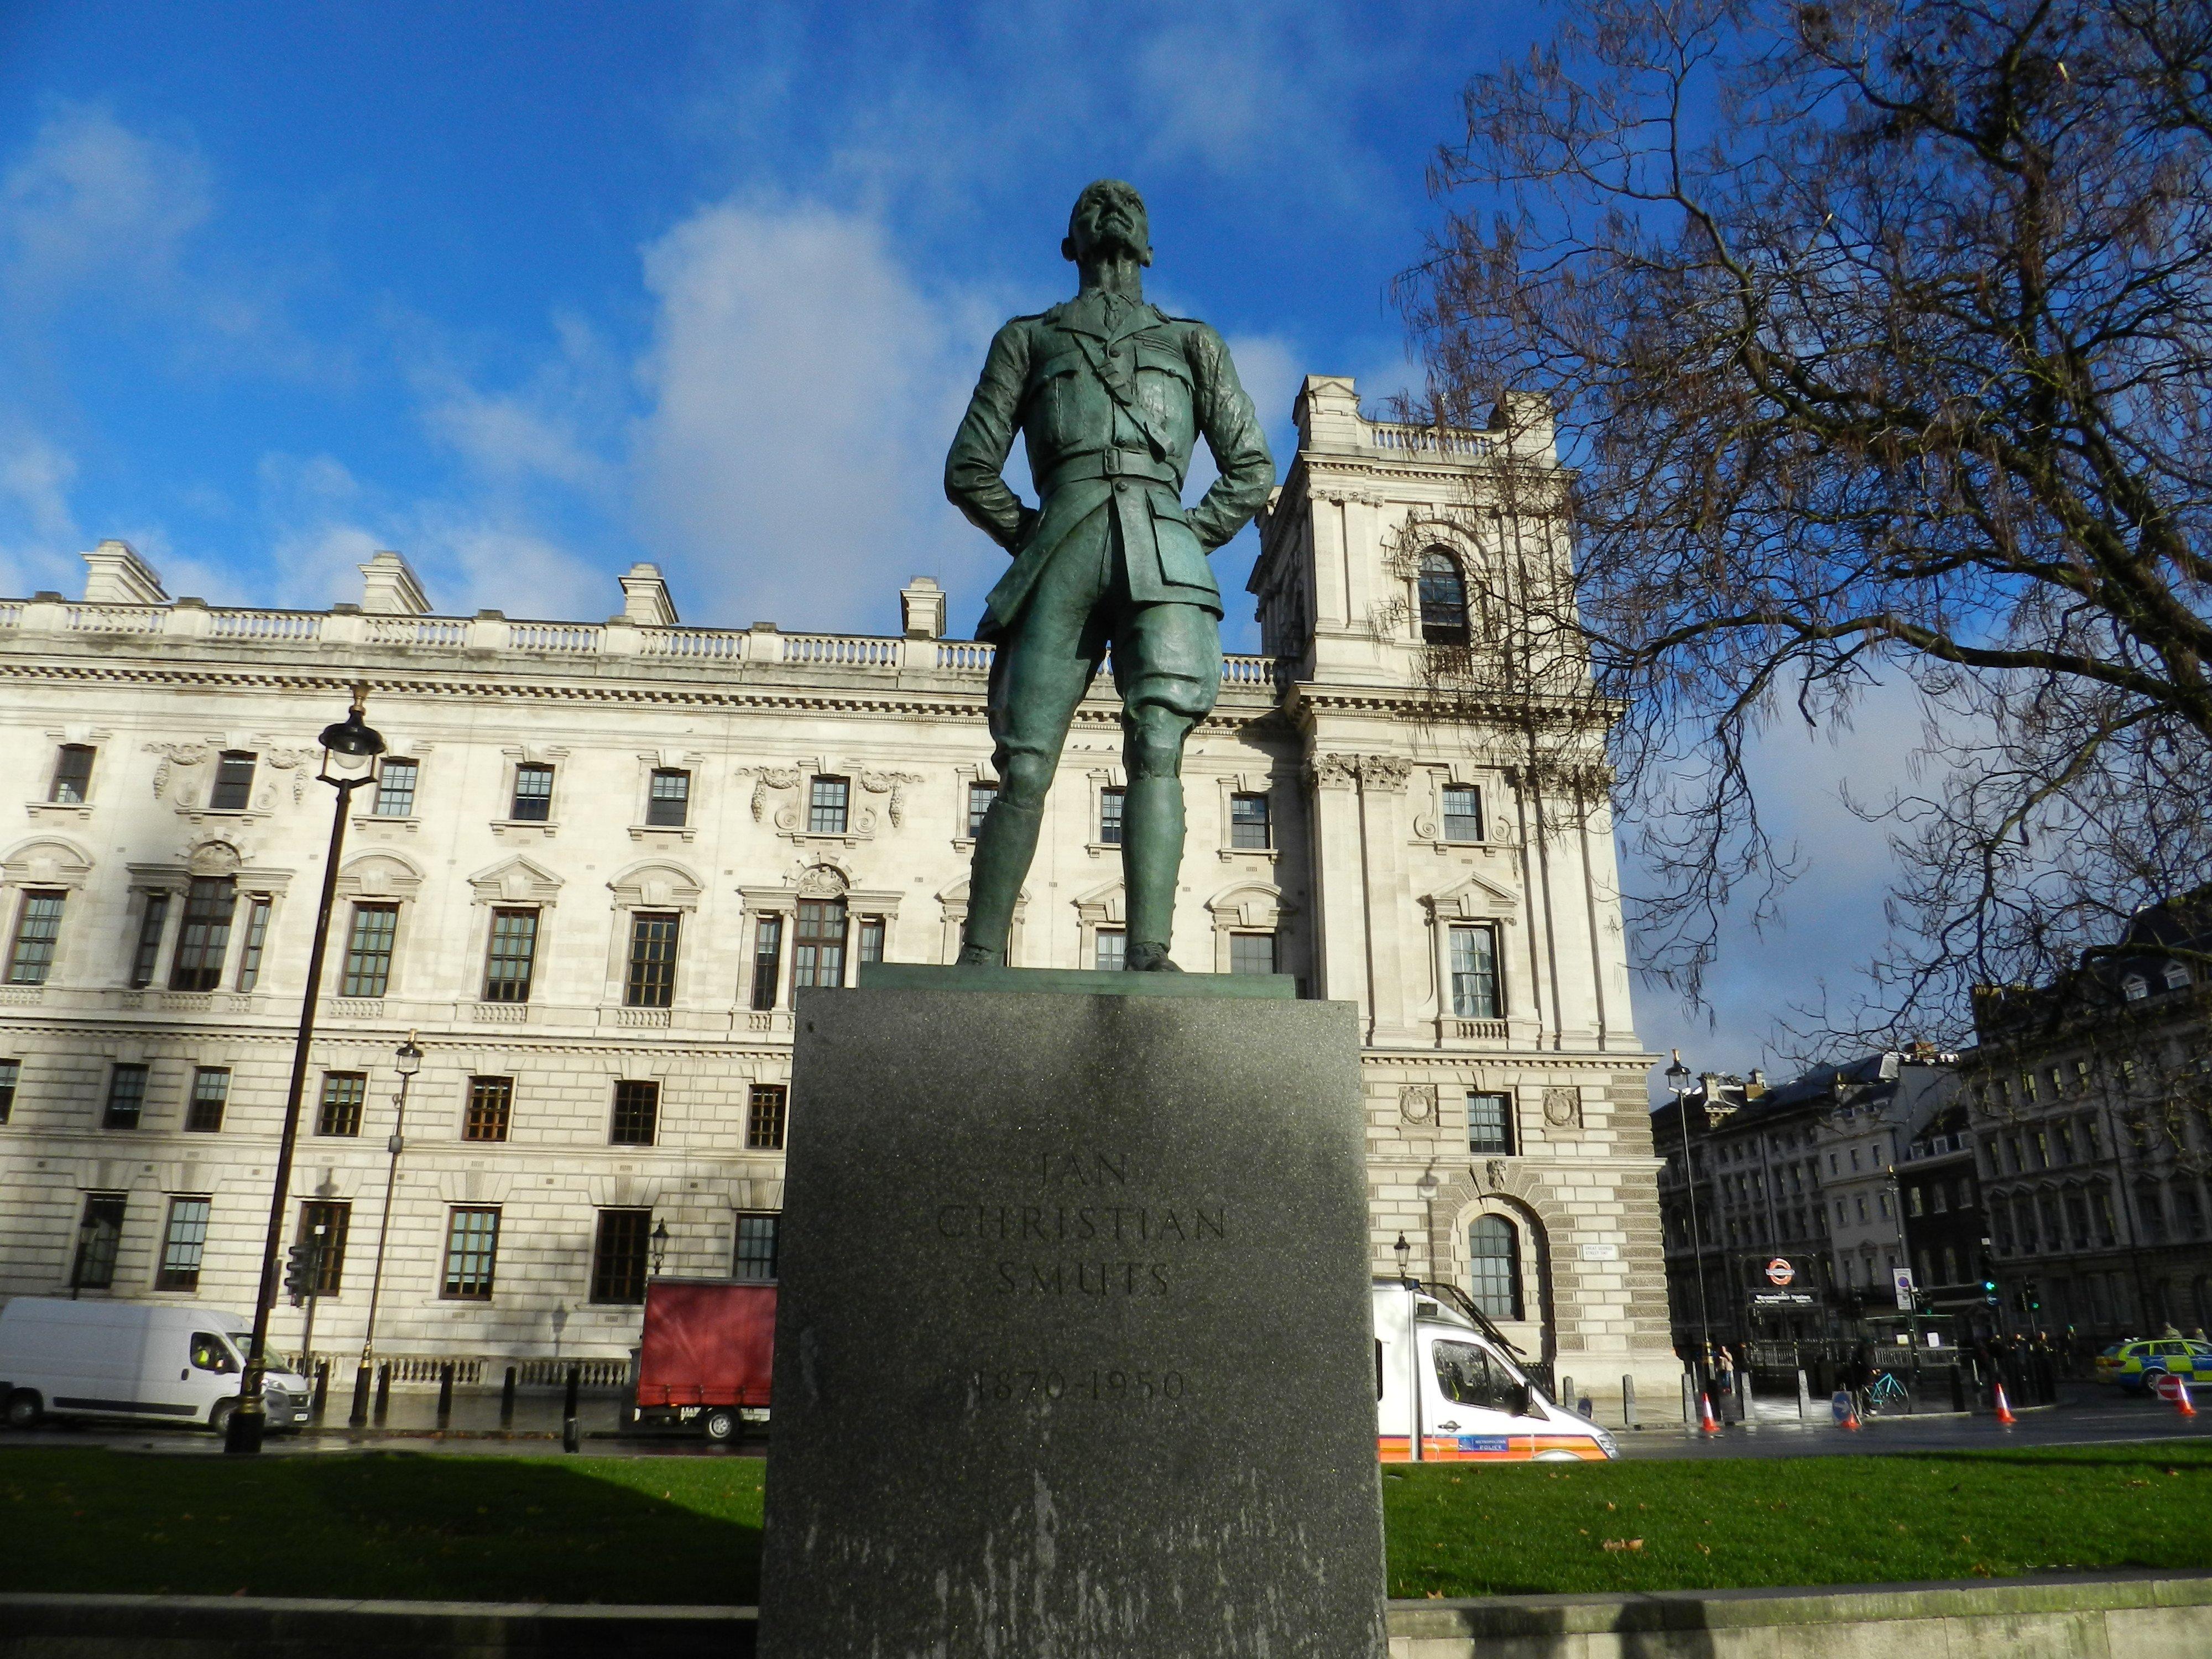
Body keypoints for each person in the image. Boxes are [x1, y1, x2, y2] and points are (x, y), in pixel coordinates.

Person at [943, 179, 1275, 970]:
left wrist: (1188, 534)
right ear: (1072, 243)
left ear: (1149, 246)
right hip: (1062, 541)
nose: (1111, 207)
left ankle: (1149, 952)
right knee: (1024, 761)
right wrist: (1035, 534)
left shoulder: (1195, 344)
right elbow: (969, 467)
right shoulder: (1027, 339)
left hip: (1166, 550)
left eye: (1128, 207)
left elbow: (1251, 466)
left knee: (1158, 742)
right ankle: (981, 954)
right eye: (1093, 206)